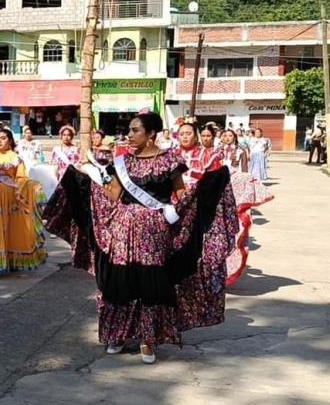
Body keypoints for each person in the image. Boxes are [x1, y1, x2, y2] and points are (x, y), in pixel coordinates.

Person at [44, 112, 237, 364]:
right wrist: (89, 180)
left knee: (151, 281)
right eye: (130, 131)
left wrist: (200, 194)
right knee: (120, 279)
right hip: (123, 229)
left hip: (155, 231)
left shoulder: (169, 160)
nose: (130, 136)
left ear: (151, 135)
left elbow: (180, 194)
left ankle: (148, 337)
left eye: (136, 131)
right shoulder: (123, 161)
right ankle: (118, 334)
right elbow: (113, 194)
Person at [0, 128, 47, 275]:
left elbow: (22, 178)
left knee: (10, 229)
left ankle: (9, 260)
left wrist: (31, 187)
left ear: (10, 140)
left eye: (3, 138)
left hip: (10, 199)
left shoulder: (16, 158)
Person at [217, 129, 273, 286]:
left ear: (234, 137)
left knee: (238, 224)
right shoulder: (216, 151)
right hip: (218, 189)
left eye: (230, 136)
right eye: (225, 136)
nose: (227, 138)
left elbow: (244, 171)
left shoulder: (240, 151)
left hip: (236, 188)